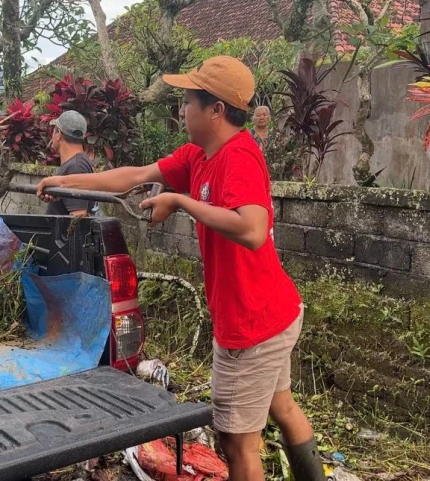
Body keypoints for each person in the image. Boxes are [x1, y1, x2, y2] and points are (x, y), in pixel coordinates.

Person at [36, 56, 325, 481]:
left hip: (252, 322)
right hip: (271, 310)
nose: (182, 109)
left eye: (189, 101)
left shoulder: (239, 156)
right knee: (281, 406)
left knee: (237, 443)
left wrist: (180, 201)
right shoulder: (198, 155)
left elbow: (252, 229)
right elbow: (134, 176)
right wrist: (65, 182)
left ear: (216, 109)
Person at [45, 110, 97, 217]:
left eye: (54, 131)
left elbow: (78, 219)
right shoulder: (77, 162)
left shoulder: (76, 167)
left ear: (58, 134)